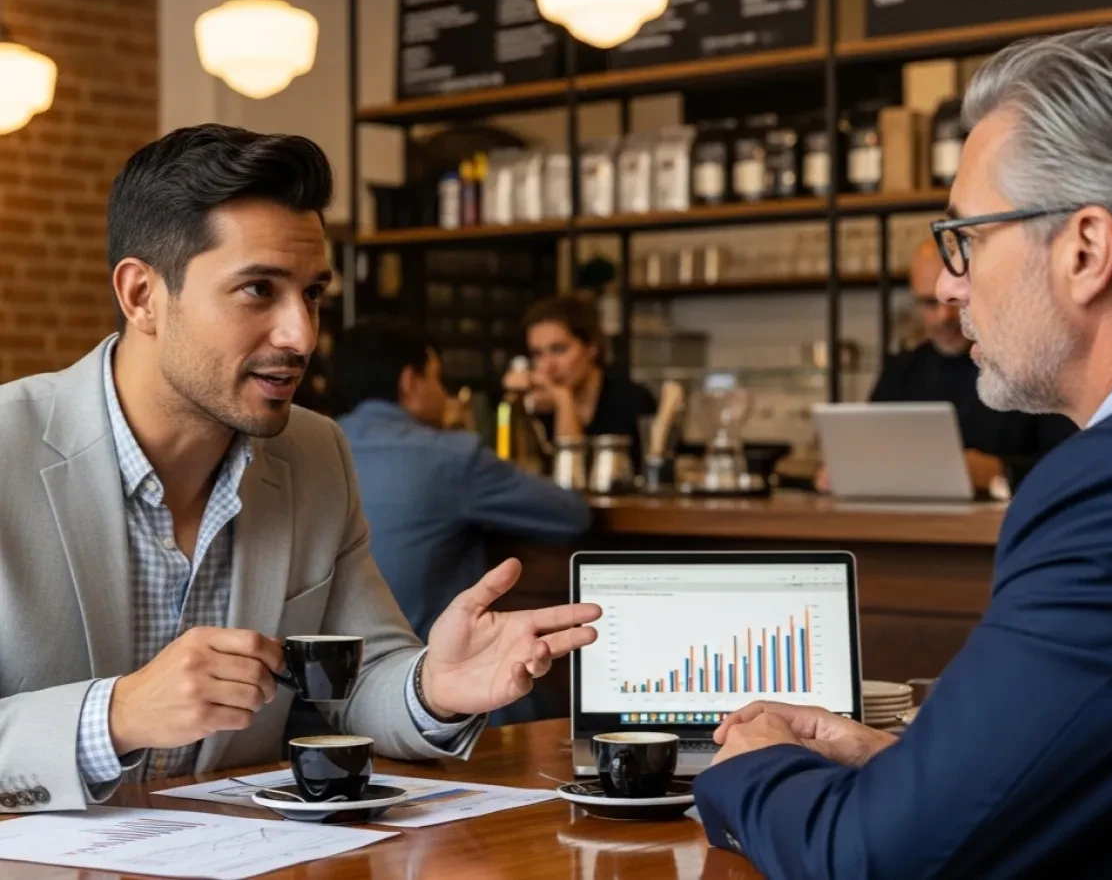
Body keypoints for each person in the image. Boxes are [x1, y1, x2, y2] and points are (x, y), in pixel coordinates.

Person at [695, 27, 1112, 879]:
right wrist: (909, 765)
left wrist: (752, 768)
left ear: (1086, 249)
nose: (944, 283)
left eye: (967, 236)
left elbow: (874, 861)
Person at [0, 124, 600, 814]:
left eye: (312, 294)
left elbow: (360, 680)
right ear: (142, 296)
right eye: (258, 289)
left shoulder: (315, 453)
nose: (302, 335)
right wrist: (117, 714)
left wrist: (433, 683)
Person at [333, 320, 591, 646]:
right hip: (425, 673)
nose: (445, 394)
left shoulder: (309, 445)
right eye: (438, 378)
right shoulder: (451, 456)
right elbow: (572, 515)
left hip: (323, 680)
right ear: (411, 382)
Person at [868, 239, 1076, 493]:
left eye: (953, 302)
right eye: (929, 303)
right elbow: (869, 452)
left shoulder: (1030, 366)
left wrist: (1002, 471)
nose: (944, 317)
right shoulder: (900, 370)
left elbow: (1075, 462)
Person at [504, 295, 657, 468]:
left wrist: (563, 399)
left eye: (559, 350)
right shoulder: (537, 407)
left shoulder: (631, 401)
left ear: (591, 347)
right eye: (537, 354)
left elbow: (573, 473)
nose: (547, 366)